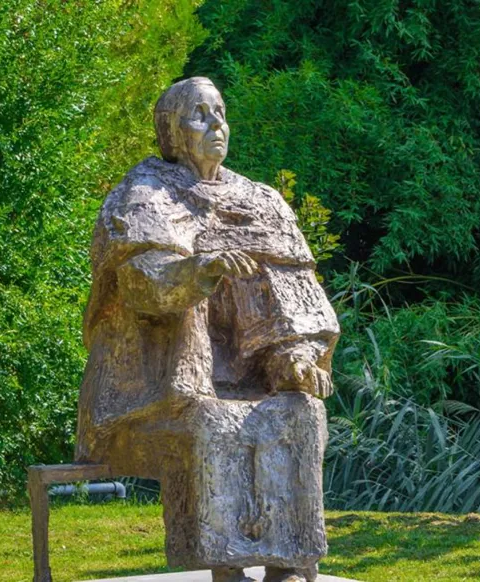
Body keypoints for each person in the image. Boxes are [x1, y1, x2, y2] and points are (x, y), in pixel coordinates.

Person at [75, 77, 339, 582]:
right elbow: (143, 284)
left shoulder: (261, 201)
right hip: (163, 384)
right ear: (172, 133)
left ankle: (288, 564)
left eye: (220, 112)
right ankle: (228, 569)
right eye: (199, 114)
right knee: (212, 422)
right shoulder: (144, 194)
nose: (216, 123)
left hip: (252, 379)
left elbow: (297, 295)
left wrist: (296, 357)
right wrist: (197, 271)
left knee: (301, 412)